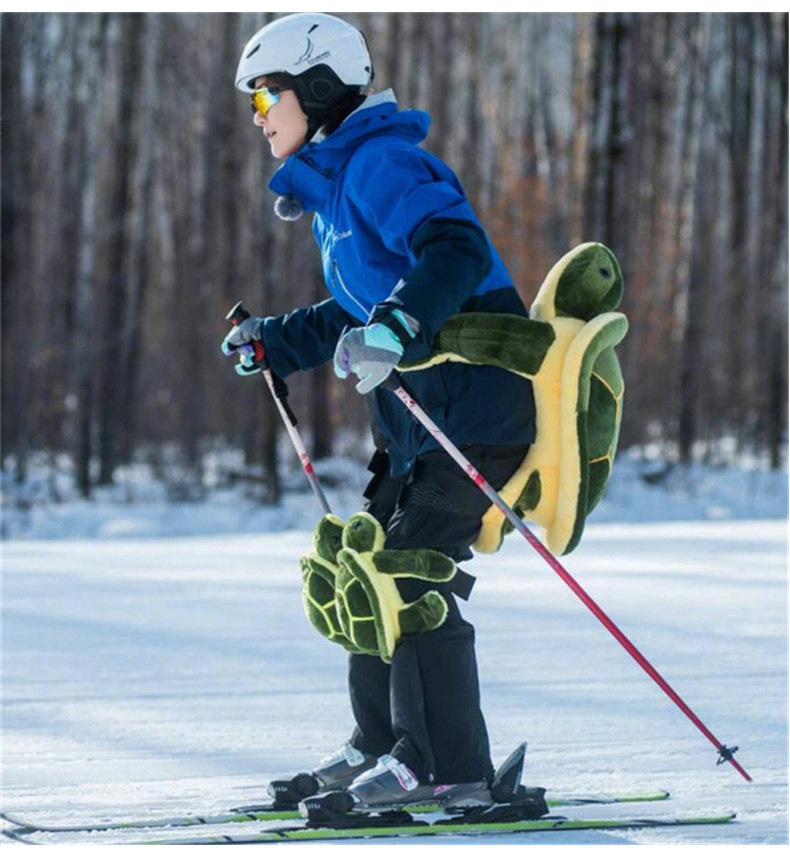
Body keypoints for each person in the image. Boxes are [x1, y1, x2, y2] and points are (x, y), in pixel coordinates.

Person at [223, 12, 536, 809]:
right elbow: (355, 308)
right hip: (420, 423)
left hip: (474, 412)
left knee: (409, 575)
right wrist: (275, 342)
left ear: (317, 88)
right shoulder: (338, 187)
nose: (258, 117)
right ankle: (383, 745)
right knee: (365, 567)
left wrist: (396, 325)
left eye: (266, 98)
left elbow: (456, 249)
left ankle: (445, 765)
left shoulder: (381, 162)